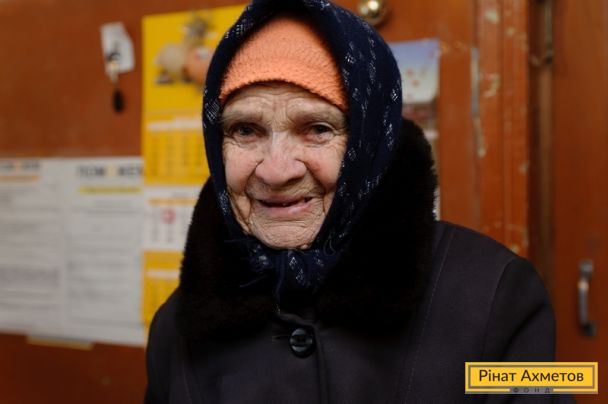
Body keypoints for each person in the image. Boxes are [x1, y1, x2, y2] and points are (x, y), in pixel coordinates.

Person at [145, 1, 572, 402]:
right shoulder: (174, 326)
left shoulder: (501, 291)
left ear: (370, 143)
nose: (276, 170)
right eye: (245, 131)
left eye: (317, 128)